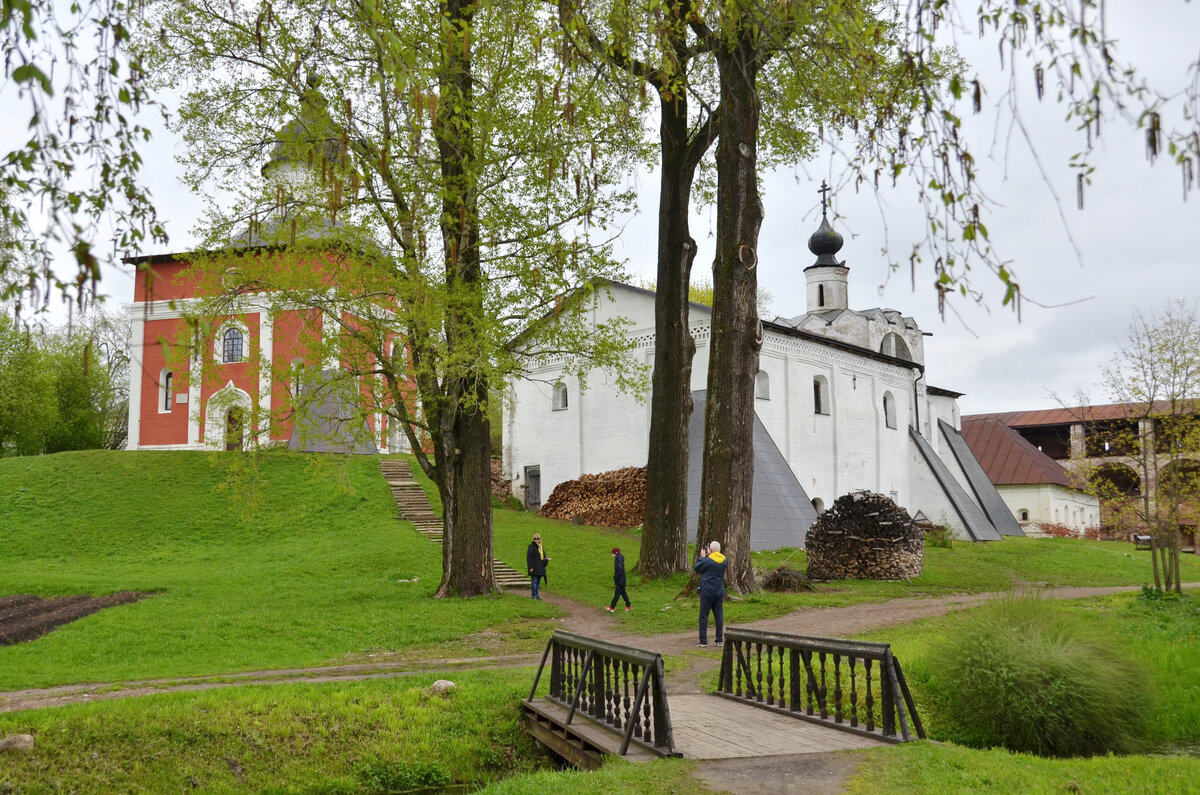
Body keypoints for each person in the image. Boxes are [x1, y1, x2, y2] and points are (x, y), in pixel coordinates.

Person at [693, 540, 727, 648]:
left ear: (710, 550)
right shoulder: (724, 560)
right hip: (718, 591)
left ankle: (703, 640)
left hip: (707, 592)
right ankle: (719, 640)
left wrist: (702, 557)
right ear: (719, 550)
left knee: (703, 616)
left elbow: (697, 568)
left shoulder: (707, 561)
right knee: (718, 616)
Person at [605, 547, 632, 612]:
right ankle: (629, 606)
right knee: (623, 593)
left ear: (615, 553)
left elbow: (620, 570)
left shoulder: (619, 559)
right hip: (620, 580)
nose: (612, 554)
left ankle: (612, 607)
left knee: (617, 595)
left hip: (620, 580)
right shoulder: (617, 558)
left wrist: (617, 577)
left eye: (612, 553)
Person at [526, 533, 549, 600]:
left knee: (538, 582)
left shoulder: (541, 547)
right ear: (533, 539)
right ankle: (534, 595)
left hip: (540, 567)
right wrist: (530, 567)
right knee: (534, 581)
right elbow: (529, 557)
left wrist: (546, 559)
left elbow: (542, 557)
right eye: (535, 538)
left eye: (537, 538)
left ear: (540, 539)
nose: (536, 540)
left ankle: (536, 595)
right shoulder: (531, 547)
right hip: (534, 567)